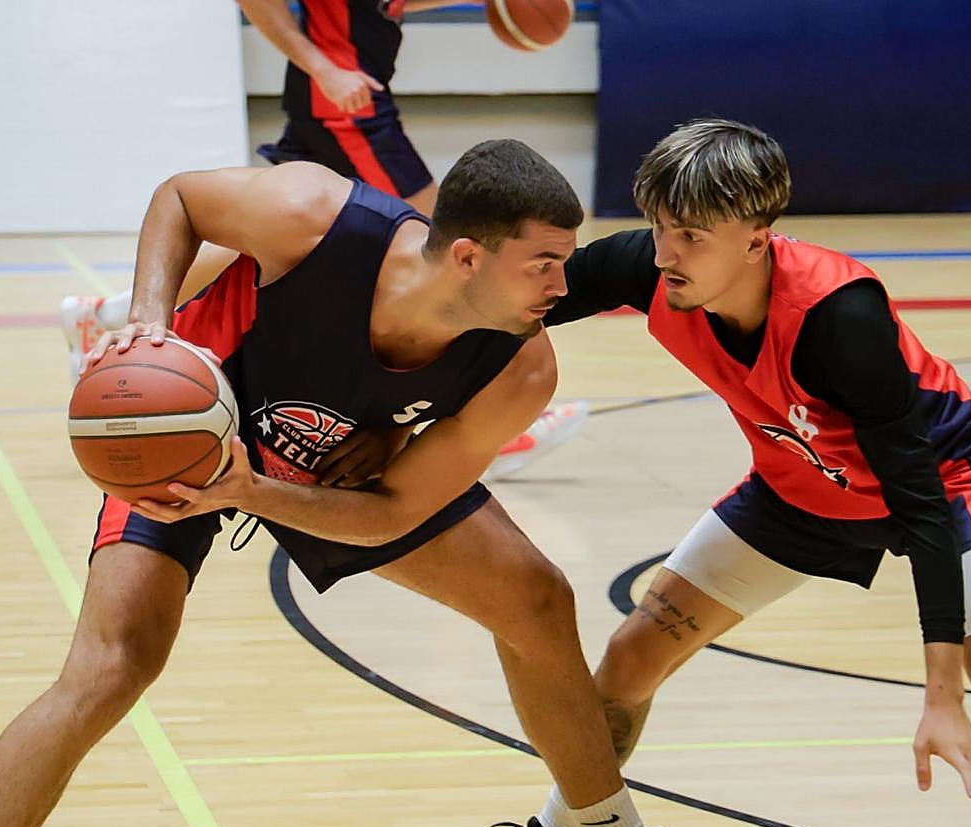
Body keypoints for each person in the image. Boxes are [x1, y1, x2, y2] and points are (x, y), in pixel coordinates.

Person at [0, 141, 675, 827]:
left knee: (537, 600)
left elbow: (394, 512)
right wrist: (148, 320)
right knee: (112, 667)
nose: (561, 286)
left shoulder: (520, 371)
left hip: (322, 471)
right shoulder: (313, 215)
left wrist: (256, 489)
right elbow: (181, 196)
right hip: (192, 431)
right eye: (543, 264)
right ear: (466, 258)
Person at [482, 119, 971, 827]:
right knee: (629, 661)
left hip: (942, 480)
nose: (667, 253)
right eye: (659, 227)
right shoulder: (651, 269)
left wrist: (944, 696)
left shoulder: (841, 318)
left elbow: (919, 505)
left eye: (692, 235)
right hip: (801, 483)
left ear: (757, 238)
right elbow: (506, 307)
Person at [60, 0, 588, 479]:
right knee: (460, 244)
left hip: (348, 105)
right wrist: (323, 67)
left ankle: (104, 315)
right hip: (347, 110)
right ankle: (489, 427)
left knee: (262, 245)